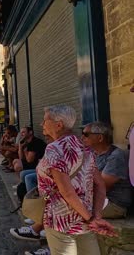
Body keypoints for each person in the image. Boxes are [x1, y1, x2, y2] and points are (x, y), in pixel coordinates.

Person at [37, 105, 116, 255]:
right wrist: (95, 216)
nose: (42, 124)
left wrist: (92, 219)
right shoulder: (84, 146)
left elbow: (67, 192)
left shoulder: (54, 148)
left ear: (58, 124)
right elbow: (100, 185)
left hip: (61, 220)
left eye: (45, 120)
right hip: (85, 219)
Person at [82, 121, 132, 218]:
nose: (82, 138)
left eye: (86, 135)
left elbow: (101, 186)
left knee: (72, 206)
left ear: (100, 138)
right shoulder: (92, 154)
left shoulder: (116, 156)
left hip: (114, 205)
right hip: (97, 199)